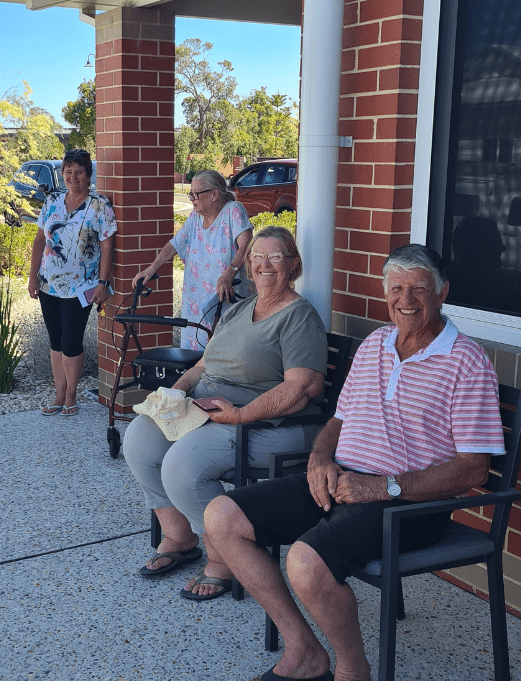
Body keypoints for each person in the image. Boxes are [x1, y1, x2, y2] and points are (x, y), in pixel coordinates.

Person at [203, 243, 506, 681]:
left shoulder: (466, 361)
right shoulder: (375, 344)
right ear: (385, 293)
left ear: (443, 292)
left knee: (306, 562)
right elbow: (339, 419)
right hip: (342, 481)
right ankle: (303, 651)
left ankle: (353, 679)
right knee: (222, 517)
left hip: (408, 504)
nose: (406, 300)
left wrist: (382, 487)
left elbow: (473, 470)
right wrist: (320, 458)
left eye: (419, 289)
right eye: (396, 288)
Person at [123, 226, 327, 600]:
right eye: (256, 257)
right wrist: (177, 391)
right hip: (212, 411)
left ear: (293, 264)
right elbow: (204, 364)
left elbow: (302, 388)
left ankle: (223, 558)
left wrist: (241, 415)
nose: (265, 265)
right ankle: (179, 537)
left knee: (182, 464)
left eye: (275, 257)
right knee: (140, 439)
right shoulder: (239, 309)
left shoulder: (299, 316)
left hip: (271, 424)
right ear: (248, 265)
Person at [28, 148, 116, 417]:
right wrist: (32, 277)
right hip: (49, 284)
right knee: (55, 340)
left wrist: (103, 282)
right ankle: (59, 393)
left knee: (71, 340)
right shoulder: (52, 201)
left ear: (89, 175)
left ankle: (71, 394)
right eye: (68, 172)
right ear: (62, 174)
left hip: (81, 286)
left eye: (79, 172)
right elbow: (40, 240)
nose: (73, 177)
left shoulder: (100, 205)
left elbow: (107, 246)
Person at [132, 169, 252, 350]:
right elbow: (174, 244)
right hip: (196, 298)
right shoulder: (195, 216)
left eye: (196, 194)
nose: (191, 198)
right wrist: (150, 270)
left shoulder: (233, 210)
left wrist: (230, 272)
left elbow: (247, 245)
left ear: (215, 194)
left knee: (222, 352)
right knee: (193, 351)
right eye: (190, 193)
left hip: (224, 295)